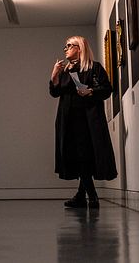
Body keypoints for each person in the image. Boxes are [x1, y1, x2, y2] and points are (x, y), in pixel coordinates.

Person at [49, 35, 117, 208]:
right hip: (68, 120)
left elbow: (107, 89)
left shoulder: (94, 68)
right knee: (77, 156)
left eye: (69, 46)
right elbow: (55, 93)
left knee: (84, 156)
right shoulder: (65, 71)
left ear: (79, 48)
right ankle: (81, 195)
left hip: (87, 120)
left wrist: (91, 92)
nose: (65, 49)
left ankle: (91, 196)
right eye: (65, 46)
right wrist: (54, 75)